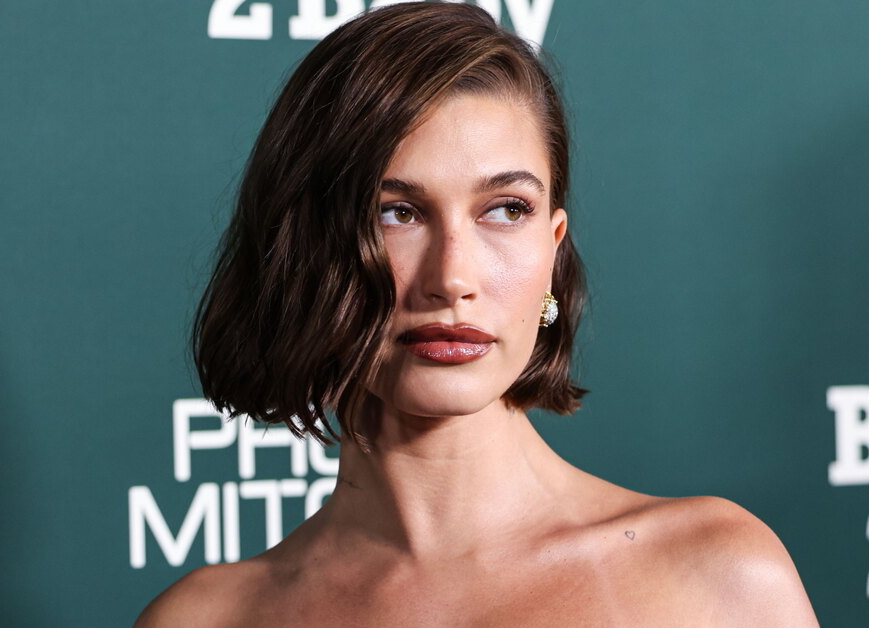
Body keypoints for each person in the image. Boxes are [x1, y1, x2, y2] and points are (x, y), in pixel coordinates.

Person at [137, 3, 819, 626]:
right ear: (303, 249)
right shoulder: (205, 620)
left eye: (505, 210)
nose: (453, 279)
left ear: (553, 248)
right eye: (397, 213)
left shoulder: (717, 578)